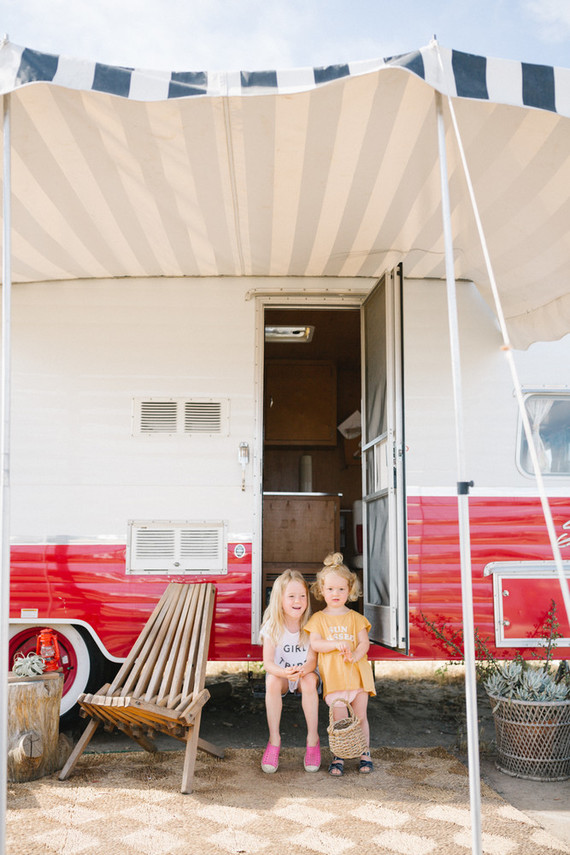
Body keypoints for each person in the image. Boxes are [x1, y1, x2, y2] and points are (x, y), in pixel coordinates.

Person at [305, 552, 375, 776]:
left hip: (358, 676)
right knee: (340, 721)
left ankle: (365, 753)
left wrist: (354, 654)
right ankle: (340, 755)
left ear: (350, 590)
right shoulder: (318, 619)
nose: (336, 594)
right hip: (335, 680)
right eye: (330, 589)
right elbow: (315, 644)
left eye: (341, 589)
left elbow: (364, 643)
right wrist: (337, 643)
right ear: (321, 590)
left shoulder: (355, 618)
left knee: (361, 717)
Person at [259, 569, 320, 774]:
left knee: (311, 681)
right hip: (282, 676)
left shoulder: (311, 626)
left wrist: (303, 670)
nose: (298, 601)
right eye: (292, 596)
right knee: (272, 682)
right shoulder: (272, 627)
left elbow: (312, 660)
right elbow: (268, 663)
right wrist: (285, 673)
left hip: (305, 675)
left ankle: (313, 739)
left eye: (302, 596)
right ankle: (274, 740)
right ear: (280, 599)